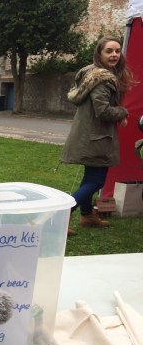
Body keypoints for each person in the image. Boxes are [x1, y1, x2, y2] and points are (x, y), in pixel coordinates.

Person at [61, 35, 135, 236]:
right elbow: (103, 111)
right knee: (96, 181)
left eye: (117, 51)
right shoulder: (102, 79)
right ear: (99, 53)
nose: (114, 55)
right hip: (96, 138)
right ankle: (62, 215)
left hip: (90, 136)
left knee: (89, 178)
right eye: (109, 51)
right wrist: (123, 112)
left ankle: (87, 215)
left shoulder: (91, 74)